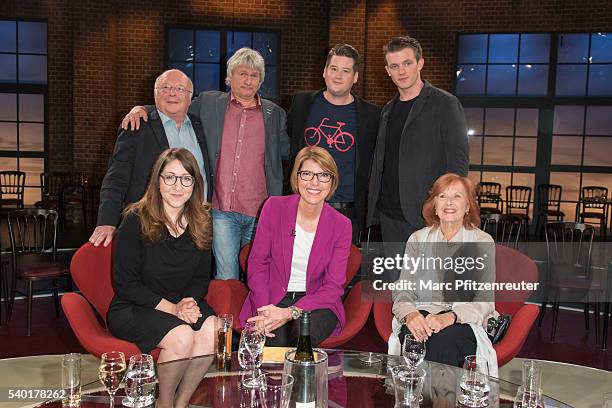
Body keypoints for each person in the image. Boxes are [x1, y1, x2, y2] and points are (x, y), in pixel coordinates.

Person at [121, 47, 290, 280]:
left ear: (261, 80)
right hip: (222, 211)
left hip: (261, 210)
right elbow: (175, 105)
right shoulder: (210, 102)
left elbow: (285, 152)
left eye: (254, 75)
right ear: (229, 77)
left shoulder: (275, 113)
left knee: (258, 275)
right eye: (242, 73)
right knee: (226, 277)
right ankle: (228, 316)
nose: (248, 80)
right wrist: (143, 109)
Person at [107, 148, 216, 407]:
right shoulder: (135, 218)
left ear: (195, 183)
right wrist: (174, 309)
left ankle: (181, 403)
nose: (178, 186)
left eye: (186, 178)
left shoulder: (202, 219)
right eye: (170, 177)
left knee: (213, 330)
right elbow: (126, 284)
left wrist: (189, 301)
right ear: (158, 180)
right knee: (182, 337)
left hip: (182, 301)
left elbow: (203, 275)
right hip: (136, 305)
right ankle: (164, 403)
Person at [240, 146, 351, 346]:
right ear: (296, 177)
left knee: (303, 336)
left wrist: (290, 312)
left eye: (323, 175)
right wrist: (265, 310)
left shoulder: (341, 225)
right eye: (307, 174)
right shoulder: (274, 207)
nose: (314, 182)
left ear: (332, 181)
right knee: (273, 349)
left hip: (317, 302)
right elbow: (257, 263)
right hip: (272, 297)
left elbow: (333, 287)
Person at [367, 36, 469, 254]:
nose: (401, 71)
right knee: (398, 284)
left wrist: (448, 212)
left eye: (407, 63)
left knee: (428, 285)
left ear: (420, 63)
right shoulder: (387, 110)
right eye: (395, 66)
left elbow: (458, 166)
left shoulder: (445, 104)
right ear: (388, 70)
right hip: (389, 215)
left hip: (427, 215)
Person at [89, 69, 212, 248]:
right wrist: (107, 221)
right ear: (154, 93)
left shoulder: (198, 126)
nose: (172, 93)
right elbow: (116, 177)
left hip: (194, 225)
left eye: (179, 89)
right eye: (165, 87)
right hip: (150, 226)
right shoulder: (137, 125)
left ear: (190, 97)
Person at [391, 173, 497, 374]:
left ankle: (425, 399)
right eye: (442, 196)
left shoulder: (483, 241)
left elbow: (485, 299)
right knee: (417, 336)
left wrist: (451, 316)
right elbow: (403, 289)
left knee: (445, 341)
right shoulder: (417, 239)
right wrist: (410, 314)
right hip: (421, 312)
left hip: (463, 317)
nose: (449, 202)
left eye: (457, 196)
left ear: (468, 206)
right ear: (434, 206)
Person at [287, 44, 381, 243]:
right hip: (302, 208)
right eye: (333, 68)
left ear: (355, 77)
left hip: (346, 212)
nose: (338, 75)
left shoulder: (372, 115)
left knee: (342, 273)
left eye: (346, 70)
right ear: (324, 71)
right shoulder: (301, 103)